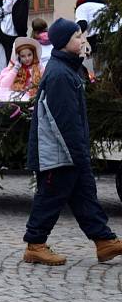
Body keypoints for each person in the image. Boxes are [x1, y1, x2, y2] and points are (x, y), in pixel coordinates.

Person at [23, 18, 122, 265]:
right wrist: (79, 155)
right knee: (51, 196)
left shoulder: (69, 68)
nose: (82, 40)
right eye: (77, 37)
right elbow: (65, 121)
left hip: (68, 150)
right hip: (58, 152)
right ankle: (35, 244)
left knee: (85, 195)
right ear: (65, 42)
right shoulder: (59, 75)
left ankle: (104, 241)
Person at [0, 37, 44, 102]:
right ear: (18, 57)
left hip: (33, 99)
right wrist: (15, 69)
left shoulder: (39, 67)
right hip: (16, 99)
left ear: (33, 54)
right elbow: (3, 85)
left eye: (29, 55)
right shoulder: (12, 68)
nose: (27, 59)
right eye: (23, 56)